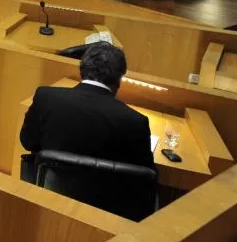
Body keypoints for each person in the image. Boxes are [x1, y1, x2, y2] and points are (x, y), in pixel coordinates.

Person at [20, 42, 155, 170]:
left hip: (49, 187)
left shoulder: (46, 97)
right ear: (119, 80)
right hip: (106, 193)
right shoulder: (136, 122)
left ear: (82, 70)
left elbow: (27, 142)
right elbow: (147, 176)